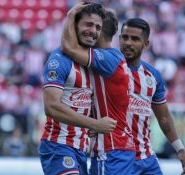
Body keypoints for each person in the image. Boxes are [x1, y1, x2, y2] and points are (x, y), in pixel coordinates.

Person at [38, 3, 117, 175]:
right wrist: (95, 123)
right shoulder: (59, 60)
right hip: (58, 146)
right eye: (88, 24)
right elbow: (51, 107)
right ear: (74, 26)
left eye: (97, 27)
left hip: (81, 150)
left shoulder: (93, 61)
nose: (93, 31)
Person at [61, 4, 135, 175]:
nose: (90, 31)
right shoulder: (114, 58)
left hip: (110, 147)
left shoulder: (107, 58)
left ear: (99, 32)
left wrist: (71, 16)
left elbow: (68, 48)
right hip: (116, 146)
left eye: (94, 27)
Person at [120, 18, 185, 175]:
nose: (128, 43)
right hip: (117, 158)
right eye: (125, 37)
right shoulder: (107, 69)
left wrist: (179, 148)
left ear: (146, 44)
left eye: (135, 39)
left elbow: (163, 117)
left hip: (146, 157)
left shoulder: (153, 76)